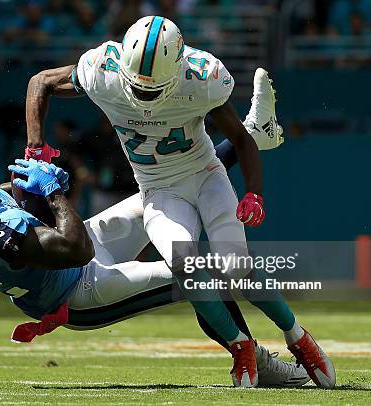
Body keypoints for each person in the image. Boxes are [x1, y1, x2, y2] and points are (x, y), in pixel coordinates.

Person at [23, 16, 334, 388]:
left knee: (236, 266)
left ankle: (297, 335)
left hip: (206, 177)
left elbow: (238, 139)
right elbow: (40, 82)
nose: (145, 99)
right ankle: (240, 346)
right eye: (138, 88)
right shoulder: (101, 69)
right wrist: (35, 147)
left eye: (154, 92)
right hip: (158, 190)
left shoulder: (201, 78)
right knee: (186, 270)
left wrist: (254, 192)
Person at [0, 145, 310, 388]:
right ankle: (258, 360)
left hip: (72, 262)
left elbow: (5, 200)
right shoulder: (0, 243)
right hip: (83, 291)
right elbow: (75, 247)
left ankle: (250, 136)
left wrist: (27, 188)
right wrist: (52, 192)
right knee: (189, 271)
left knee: (157, 193)